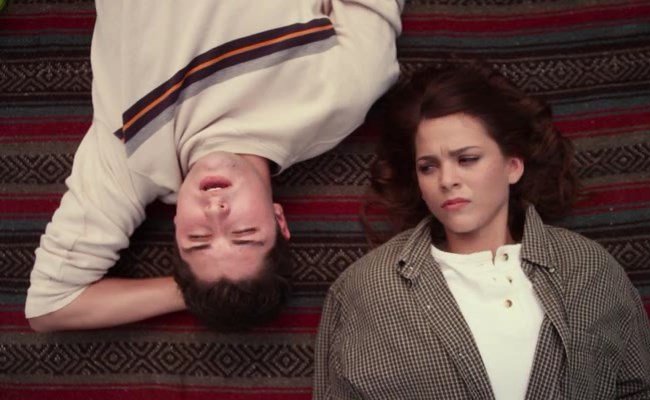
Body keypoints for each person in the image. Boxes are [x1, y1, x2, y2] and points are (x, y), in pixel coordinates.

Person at [25, 0, 403, 332]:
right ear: (279, 220)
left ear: (176, 227)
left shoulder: (131, 164)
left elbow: (50, 306)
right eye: (243, 232)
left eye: (198, 239)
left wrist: (199, 292)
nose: (216, 212)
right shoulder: (343, 96)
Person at [313, 65, 650, 399]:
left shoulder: (589, 268)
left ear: (513, 166)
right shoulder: (365, 286)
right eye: (428, 167)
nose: (447, 180)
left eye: (467, 159)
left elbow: (647, 391)